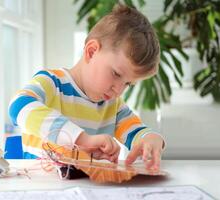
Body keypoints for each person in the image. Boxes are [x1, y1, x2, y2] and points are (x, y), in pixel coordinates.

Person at [9, 4, 165, 171]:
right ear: (91, 52)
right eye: (116, 74)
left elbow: (135, 132)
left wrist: (150, 138)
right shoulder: (52, 83)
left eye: (128, 84)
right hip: (39, 185)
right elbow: (18, 107)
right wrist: (82, 139)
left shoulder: (113, 105)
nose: (118, 91)